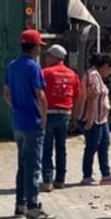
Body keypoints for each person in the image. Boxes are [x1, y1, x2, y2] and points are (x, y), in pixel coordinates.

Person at [3, 29, 55, 219]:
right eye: (39, 47)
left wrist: (17, 107)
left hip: (17, 122)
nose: (40, 50)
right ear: (34, 48)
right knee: (34, 166)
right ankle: (33, 208)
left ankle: (20, 204)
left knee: (22, 165)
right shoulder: (33, 67)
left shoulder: (12, 65)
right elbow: (41, 95)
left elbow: (6, 93)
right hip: (32, 123)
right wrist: (43, 118)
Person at [40, 44, 83, 192]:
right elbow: (77, 98)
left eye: (48, 55)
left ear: (53, 57)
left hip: (48, 114)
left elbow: (39, 95)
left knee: (46, 148)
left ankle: (47, 180)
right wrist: (75, 118)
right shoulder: (72, 75)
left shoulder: (45, 73)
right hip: (65, 115)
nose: (46, 58)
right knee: (61, 148)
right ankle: (60, 180)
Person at [79, 52, 111, 186]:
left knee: (104, 145)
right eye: (110, 68)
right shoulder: (93, 76)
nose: (110, 72)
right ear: (105, 66)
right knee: (92, 147)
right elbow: (91, 99)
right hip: (94, 119)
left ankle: (106, 175)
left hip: (102, 119)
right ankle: (87, 175)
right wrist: (90, 120)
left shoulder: (98, 76)